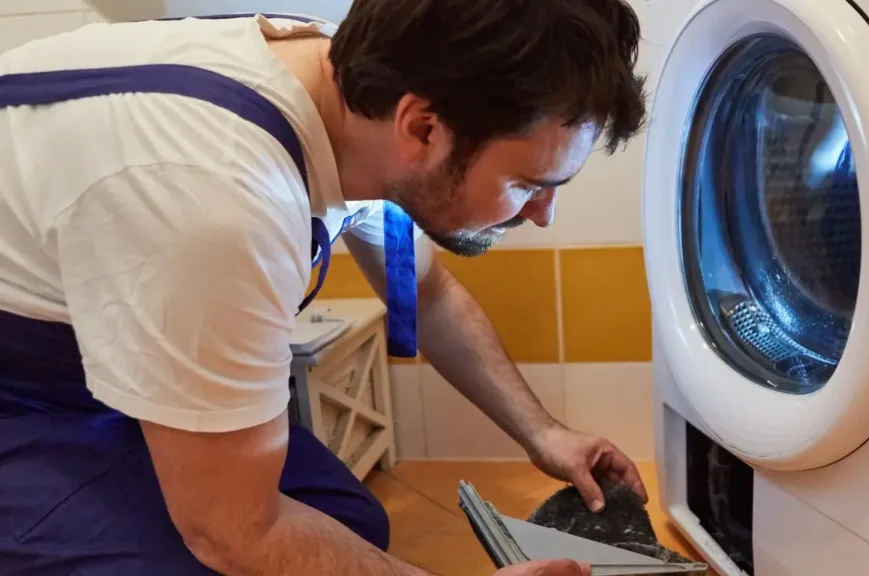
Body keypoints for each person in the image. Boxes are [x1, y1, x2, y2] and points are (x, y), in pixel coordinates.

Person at [0, 0, 649, 574]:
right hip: (21, 390)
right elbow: (235, 534)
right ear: (422, 130)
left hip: (107, 345)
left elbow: (422, 293)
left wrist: (542, 433)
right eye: (531, 184)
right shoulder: (222, 198)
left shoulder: (366, 93)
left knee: (346, 524)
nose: (543, 214)